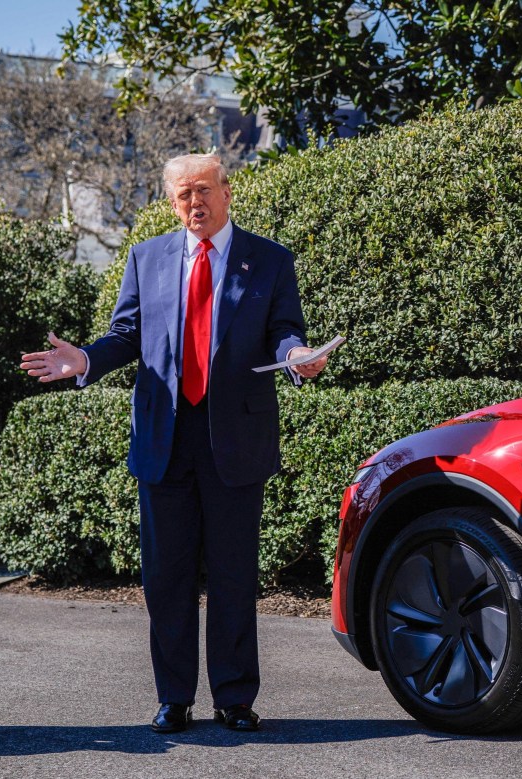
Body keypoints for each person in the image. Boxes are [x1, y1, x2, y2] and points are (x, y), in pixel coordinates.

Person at [20, 153, 327, 733]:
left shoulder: (269, 259)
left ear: (227, 192)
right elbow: (126, 333)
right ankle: (174, 698)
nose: (195, 204)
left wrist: (294, 358)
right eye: (183, 195)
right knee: (167, 577)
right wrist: (85, 358)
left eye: (204, 191)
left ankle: (235, 698)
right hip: (164, 437)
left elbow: (286, 330)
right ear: (171, 201)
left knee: (235, 574)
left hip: (234, 437)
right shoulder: (148, 257)